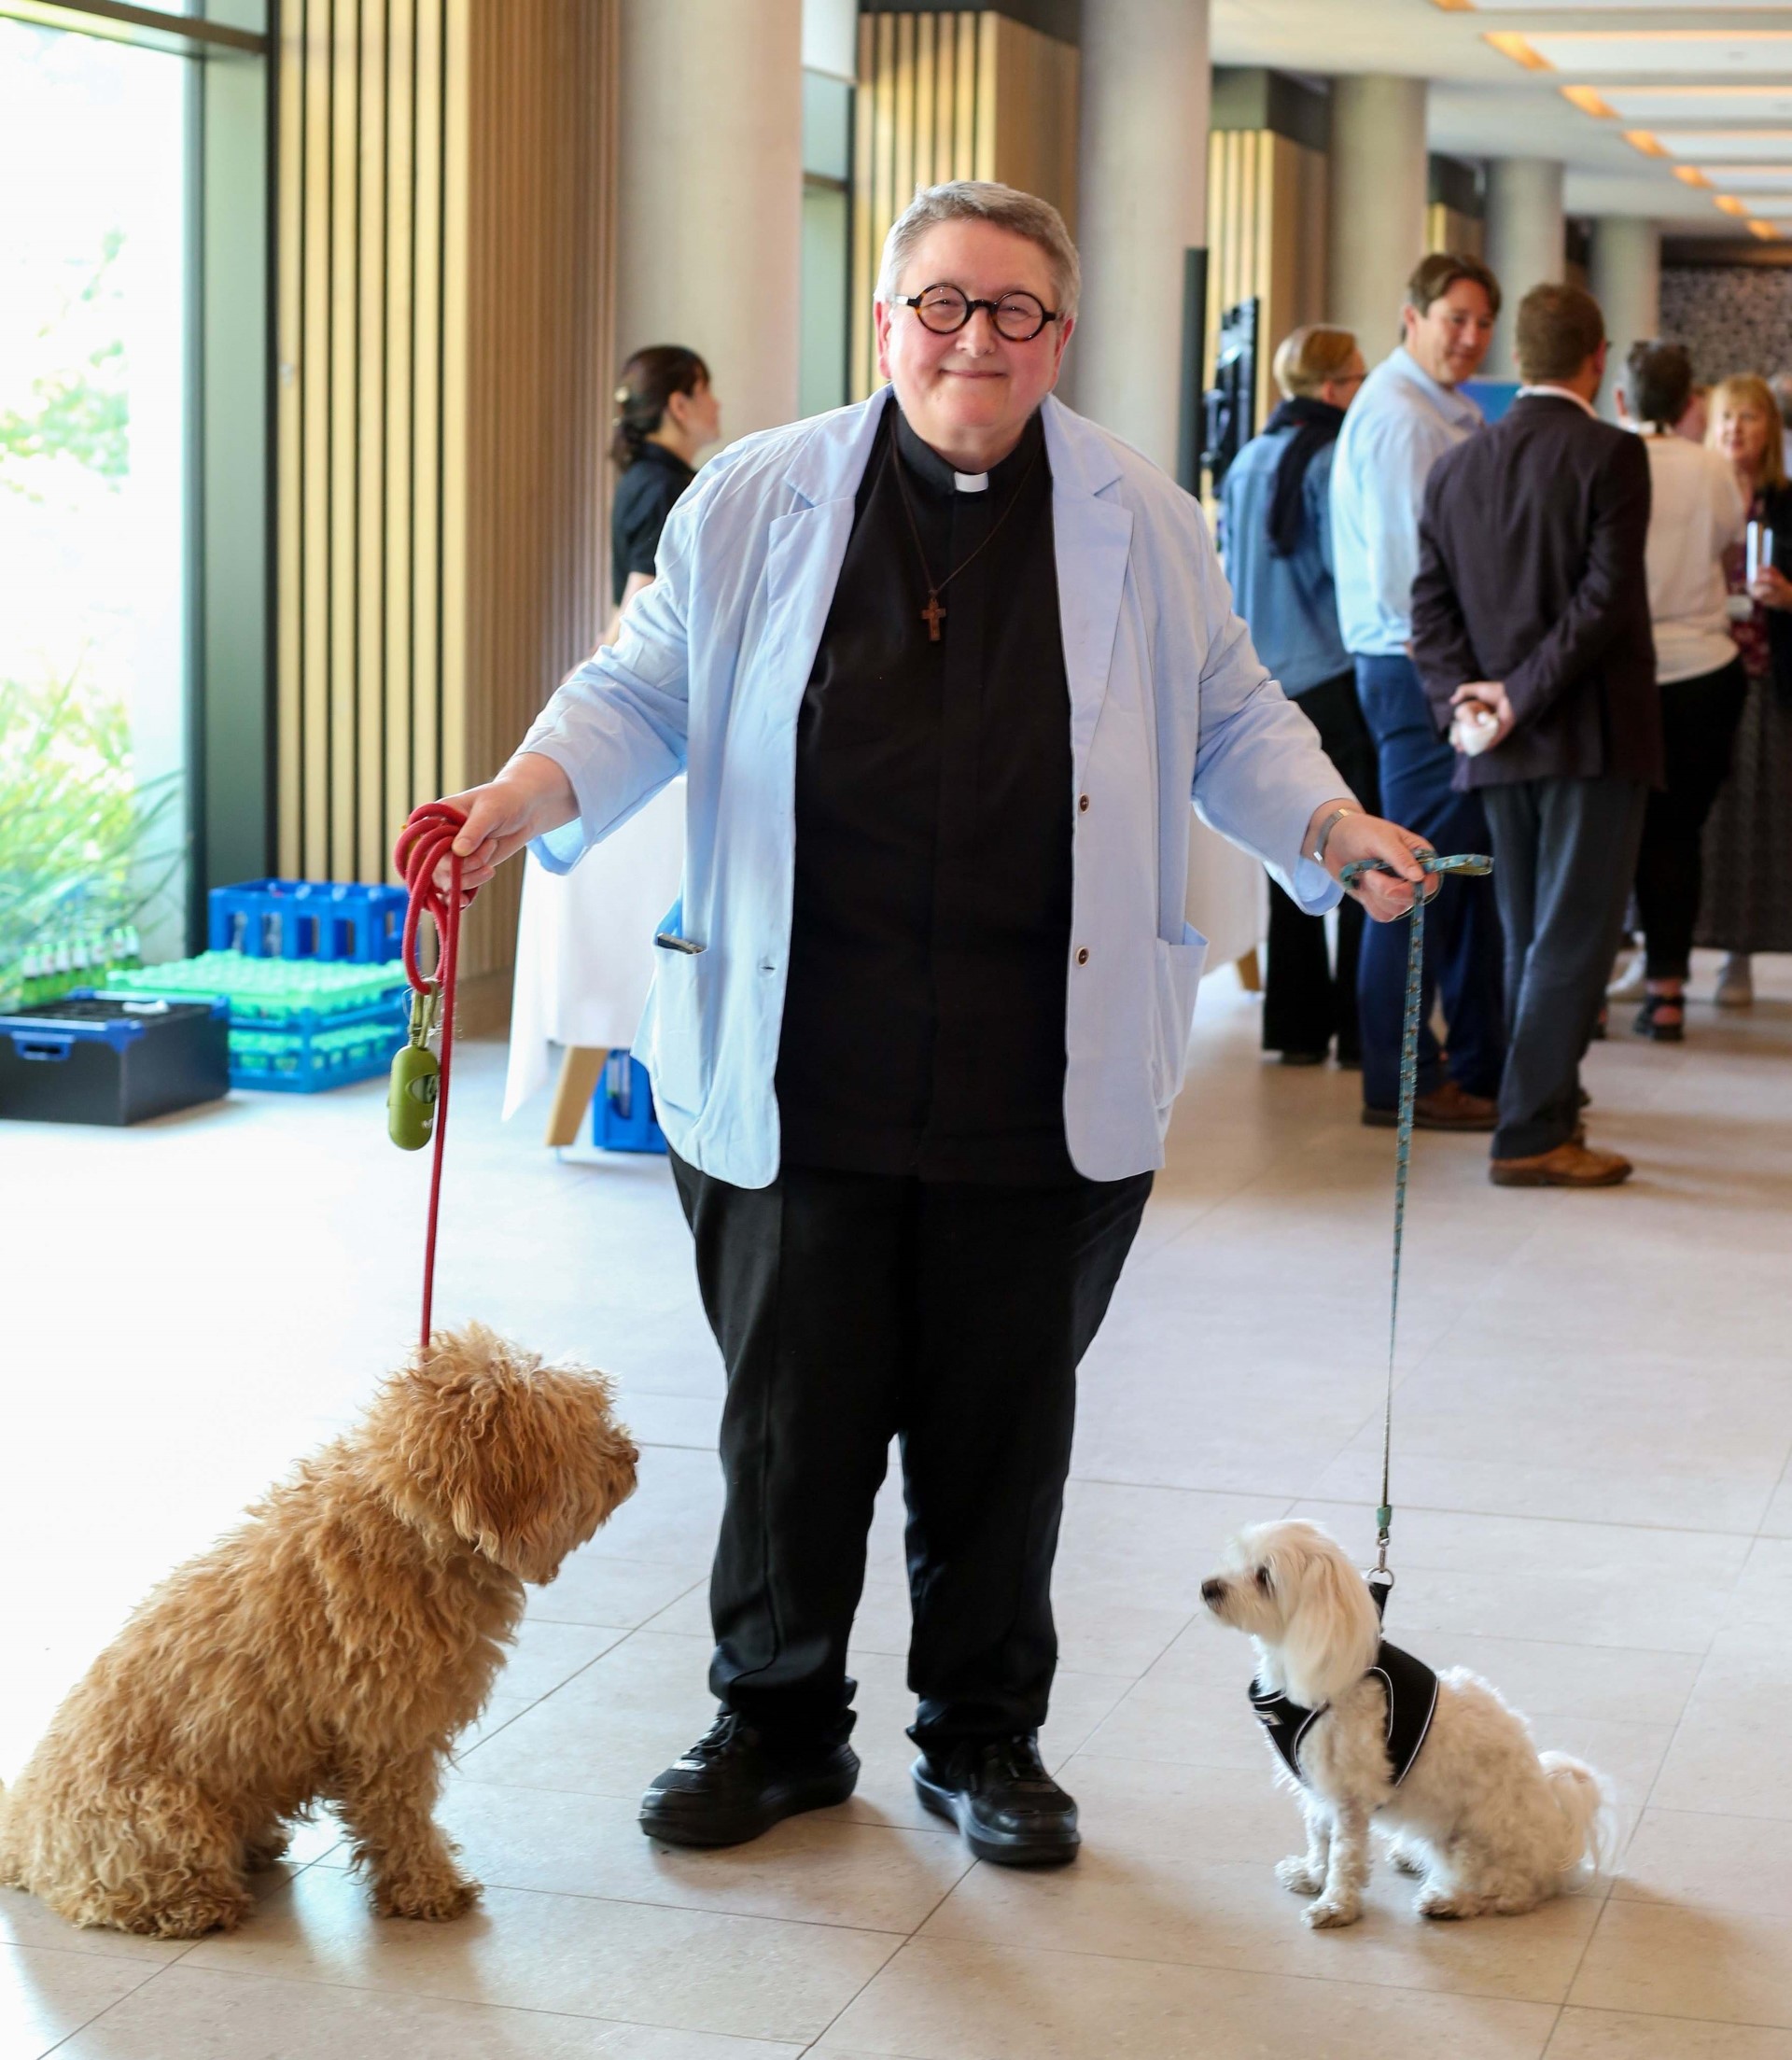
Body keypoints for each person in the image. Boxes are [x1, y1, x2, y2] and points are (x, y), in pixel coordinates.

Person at [427, 182, 1435, 1868]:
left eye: (1016, 309)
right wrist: (522, 793)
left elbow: (1231, 717)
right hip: (799, 1054)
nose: (977, 338)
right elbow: (642, 684)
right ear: (884, 321)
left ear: (1059, 333)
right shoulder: (755, 497)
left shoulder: (1142, 517)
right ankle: (774, 1723)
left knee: (998, 1436)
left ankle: (985, 1741)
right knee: (791, 1426)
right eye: (943, 304)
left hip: (1033, 1073)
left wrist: (1333, 830)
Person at [1412, 283, 1661, 1187]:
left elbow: (1427, 612)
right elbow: (1603, 604)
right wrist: (1516, 695)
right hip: (1589, 740)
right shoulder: (1612, 455)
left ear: (1517, 358)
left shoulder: (1456, 467)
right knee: (1574, 938)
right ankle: (1528, 1134)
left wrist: (1465, 706)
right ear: (1597, 358)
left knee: (1529, 937)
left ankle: (1549, 1106)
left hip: (1495, 746)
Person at [1332, 252, 1506, 1133]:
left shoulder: (1449, 413)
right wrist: (1463, 689)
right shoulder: (1402, 420)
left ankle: (1464, 1068)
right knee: (1414, 878)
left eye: (1483, 324)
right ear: (1413, 315)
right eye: (1456, 319)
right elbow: (1410, 588)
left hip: (1428, 668)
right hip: (1414, 671)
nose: (1470, 338)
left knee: (1456, 878)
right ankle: (1399, 1081)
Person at [1220, 325, 1376, 1067]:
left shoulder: (1251, 456)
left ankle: (1296, 1025)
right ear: (1337, 385)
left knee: (1294, 849)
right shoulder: (1333, 457)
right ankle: (1359, 1027)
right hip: (1334, 673)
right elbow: (1350, 575)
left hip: (1267, 676)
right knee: (1361, 852)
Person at [1616, 343, 1747, 1042]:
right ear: (1691, 401)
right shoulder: (1713, 469)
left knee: (1609, 835)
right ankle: (1667, 990)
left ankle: (1597, 985)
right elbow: (1728, 538)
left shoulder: (1609, 457)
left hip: (1625, 672)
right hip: (1703, 671)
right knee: (1678, 837)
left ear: (1623, 400)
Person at [1694, 373, 1792, 1002]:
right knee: (1685, 823)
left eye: (1750, 417)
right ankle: (1657, 955)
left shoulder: (1787, 502)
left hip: (1765, 680)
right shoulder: (1691, 493)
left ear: (1770, 429)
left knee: (1754, 820)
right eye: (1727, 417)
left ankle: (1740, 957)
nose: (1736, 429)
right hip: (1696, 672)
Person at [608, 344, 721, 637]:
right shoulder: (662, 486)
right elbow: (637, 608)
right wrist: (600, 657)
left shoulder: (645, 476)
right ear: (679, 406)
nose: (716, 403)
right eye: (705, 390)